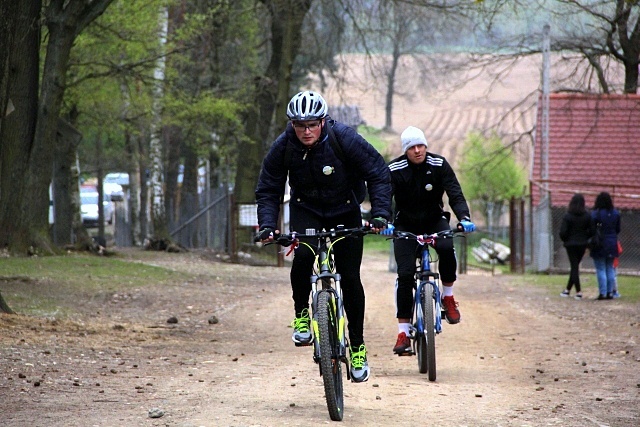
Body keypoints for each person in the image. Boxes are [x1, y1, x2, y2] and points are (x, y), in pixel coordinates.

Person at [255, 90, 392, 382]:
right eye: (299, 125)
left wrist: (380, 214)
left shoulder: (344, 137)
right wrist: (267, 225)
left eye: (312, 124)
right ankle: (301, 313)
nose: (306, 131)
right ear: (291, 124)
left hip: (345, 211)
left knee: (350, 278)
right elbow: (268, 188)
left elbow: (378, 171)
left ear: (323, 121)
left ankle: (357, 347)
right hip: (307, 211)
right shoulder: (284, 147)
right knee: (303, 255)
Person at [385, 126, 475, 355]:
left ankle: (448, 297)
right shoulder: (395, 169)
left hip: (435, 221)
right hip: (405, 225)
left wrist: (464, 218)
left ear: (426, 145)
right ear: (405, 150)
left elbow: (455, 193)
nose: (417, 151)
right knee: (405, 274)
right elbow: (384, 198)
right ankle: (403, 331)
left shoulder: (439, 164)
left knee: (446, 246)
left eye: (420, 146)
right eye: (412, 147)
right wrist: (384, 222)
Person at [558, 193, 591, 300]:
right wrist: (586, 238)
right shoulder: (587, 216)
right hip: (582, 244)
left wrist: (566, 240)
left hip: (570, 244)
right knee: (575, 266)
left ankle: (578, 292)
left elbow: (563, 232)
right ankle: (567, 290)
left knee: (574, 266)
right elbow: (593, 229)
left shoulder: (567, 216)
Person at [589, 192, 621, 300]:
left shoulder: (596, 214)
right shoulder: (615, 214)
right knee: (610, 268)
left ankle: (602, 293)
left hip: (600, 243)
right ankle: (610, 292)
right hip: (612, 242)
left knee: (601, 268)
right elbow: (617, 229)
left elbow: (593, 229)